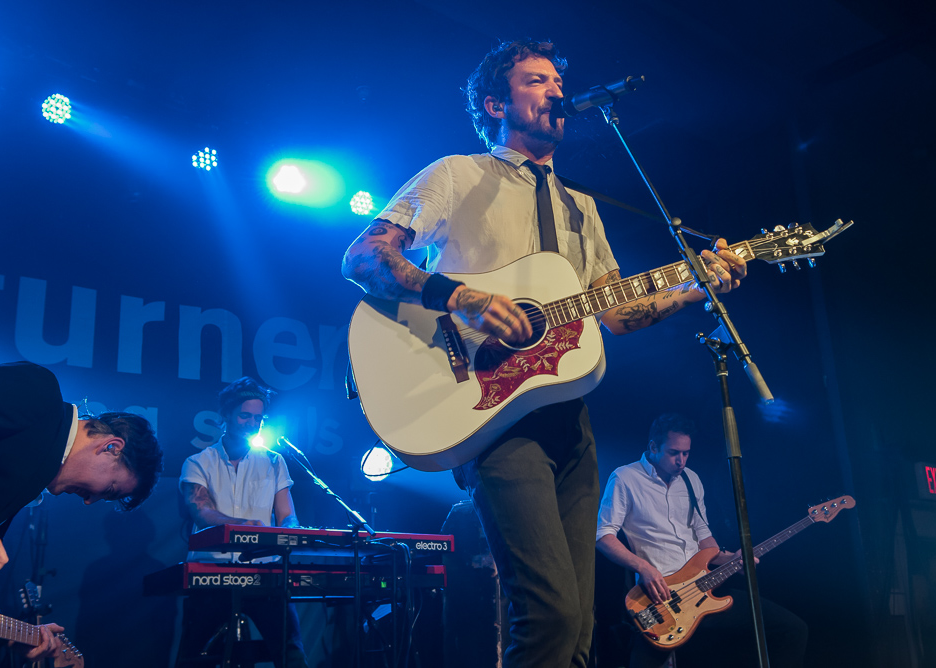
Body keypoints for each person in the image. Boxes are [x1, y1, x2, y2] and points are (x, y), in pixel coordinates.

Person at [341, 39, 747, 668]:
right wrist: (459, 296)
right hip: (486, 413)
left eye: (558, 80)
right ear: (495, 102)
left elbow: (614, 312)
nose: (556, 89)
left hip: (566, 416)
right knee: (549, 612)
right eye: (536, 80)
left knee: (581, 625)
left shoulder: (582, 207)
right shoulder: (457, 175)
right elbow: (364, 258)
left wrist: (688, 289)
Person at [0, 360, 163, 662]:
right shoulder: (37, 391)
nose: (90, 501)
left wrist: (12, 636)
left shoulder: (28, 484)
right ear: (111, 447)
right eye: (110, 490)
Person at [596, 413, 808, 667]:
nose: (681, 461)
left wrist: (732, 558)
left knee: (792, 629)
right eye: (674, 452)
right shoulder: (625, 478)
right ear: (653, 446)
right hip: (661, 597)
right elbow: (603, 535)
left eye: (686, 453)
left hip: (705, 588)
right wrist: (643, 567)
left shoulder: (691, 479)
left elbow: (704, 538)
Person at [176, 376, 308, 668]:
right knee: (194, 653)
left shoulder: (274, 461)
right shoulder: (198, 462)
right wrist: (242, 525)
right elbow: (200, 510)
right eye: (245, 415)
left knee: (290, 650)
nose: (252, 423)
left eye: (258, 418)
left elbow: (287, 514)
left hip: (265, 570)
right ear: (225, 416)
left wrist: (291, 531)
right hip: (211, 571)